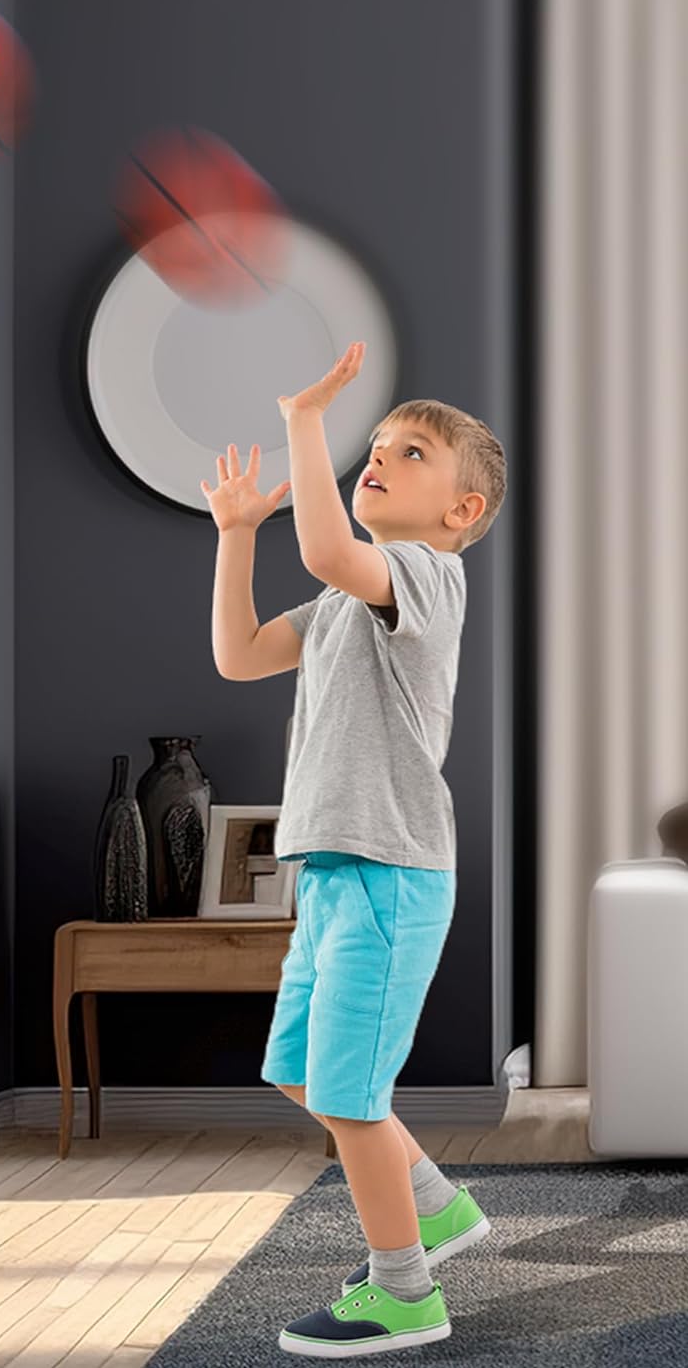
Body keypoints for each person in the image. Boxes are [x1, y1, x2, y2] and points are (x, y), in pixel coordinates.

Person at [201, 342, 508, 1357]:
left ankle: (406, 1292)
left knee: (349, 1097)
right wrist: (238, 534)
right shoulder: (343, 605)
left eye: (408, 453)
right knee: (298, 1073)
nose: (376, 459)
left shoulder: (424, 577)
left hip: (389, 871)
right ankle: (438, 1209)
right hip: (335, 873)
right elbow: (241, 657)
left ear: (460, 512)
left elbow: (335, 551)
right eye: (373, 445)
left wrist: (305, 417)